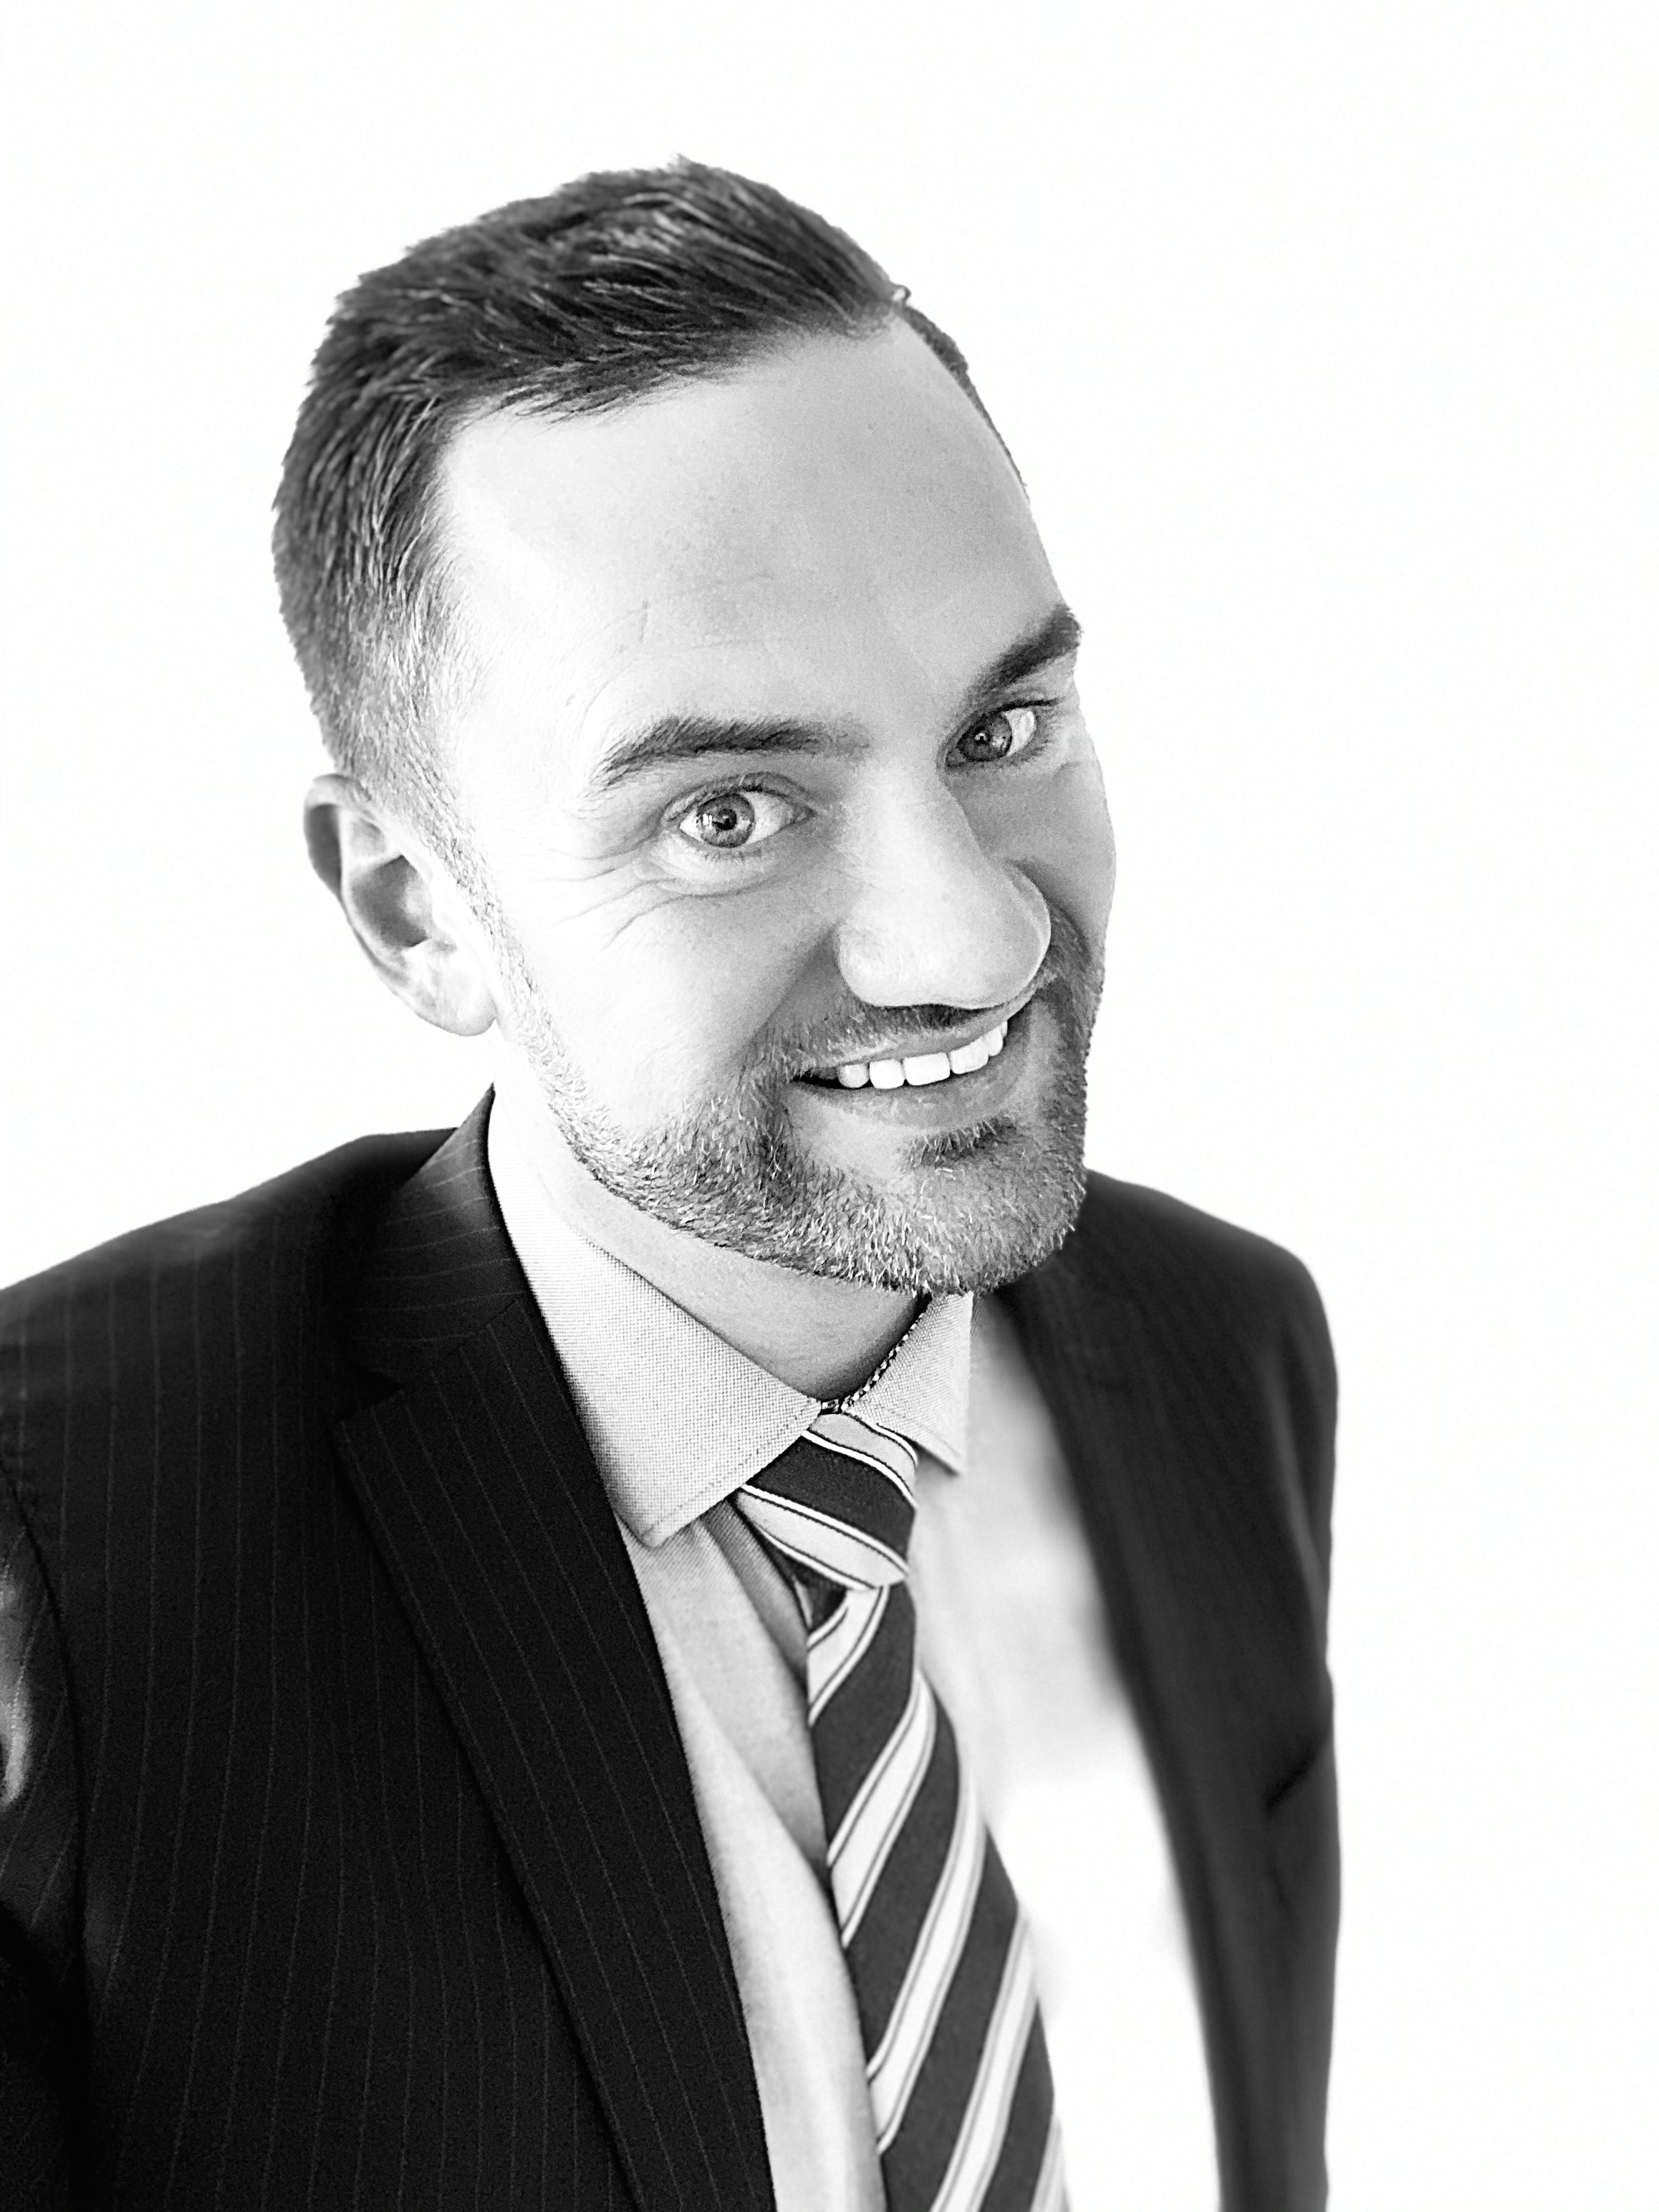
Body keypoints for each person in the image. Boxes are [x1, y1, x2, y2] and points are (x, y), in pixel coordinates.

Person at [0, 161, 1337, 2212]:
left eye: (1003, 725)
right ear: (413, 908)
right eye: (730, 812)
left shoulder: (1223, 1349)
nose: (970, 940)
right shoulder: (63, 1552)